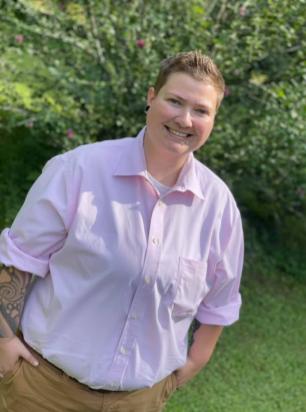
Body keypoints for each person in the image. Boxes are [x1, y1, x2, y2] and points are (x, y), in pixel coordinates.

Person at [0, 51, 244, 412]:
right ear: (151, 98)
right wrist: (4, 340)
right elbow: (18, 261)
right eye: (174, 101)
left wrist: (193, 364)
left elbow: (219, 303)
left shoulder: (218, 206)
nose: (185, 119)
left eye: (201, 110)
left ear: (213, 118)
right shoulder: (78, 170)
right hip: (42, 390)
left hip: (140, 401)